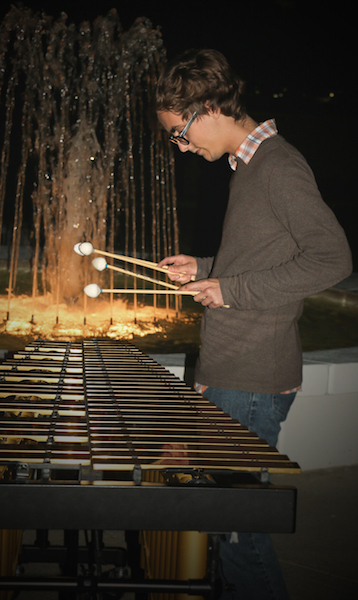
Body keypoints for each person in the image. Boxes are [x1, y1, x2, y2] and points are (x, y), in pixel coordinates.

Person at [155, 48, 352, 600]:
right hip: (234, 371)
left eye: (181, 132)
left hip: (251, 379)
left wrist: (231, 288)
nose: (182, 145)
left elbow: (333, 259)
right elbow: (260, 260)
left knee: (238, 533)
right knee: (227, 528)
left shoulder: (278, 165)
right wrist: (207, 268)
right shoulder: (249, 165)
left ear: (210, 106)